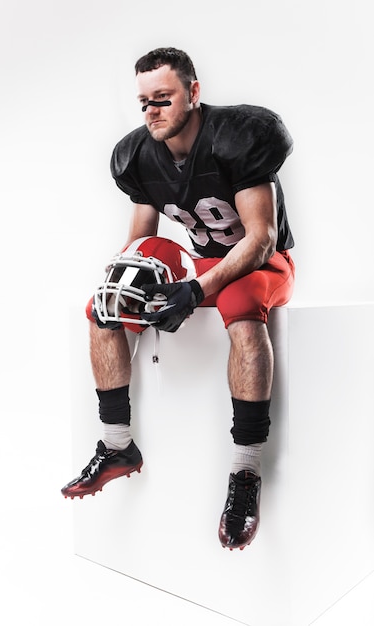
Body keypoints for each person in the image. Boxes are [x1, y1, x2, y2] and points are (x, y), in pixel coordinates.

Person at [61, 47, 295, 551]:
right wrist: (128, 290)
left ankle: (246, 473)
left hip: (256, 263)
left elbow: (260, 240)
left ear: (193, 92)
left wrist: (193, 290)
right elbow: (141, 241)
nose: (152, 111)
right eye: (144, 101)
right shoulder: (140, 154)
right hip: (202, 263)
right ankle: (117, 445)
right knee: (106, 302)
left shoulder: (236, 137)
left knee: (241, 307)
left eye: (163, 98)